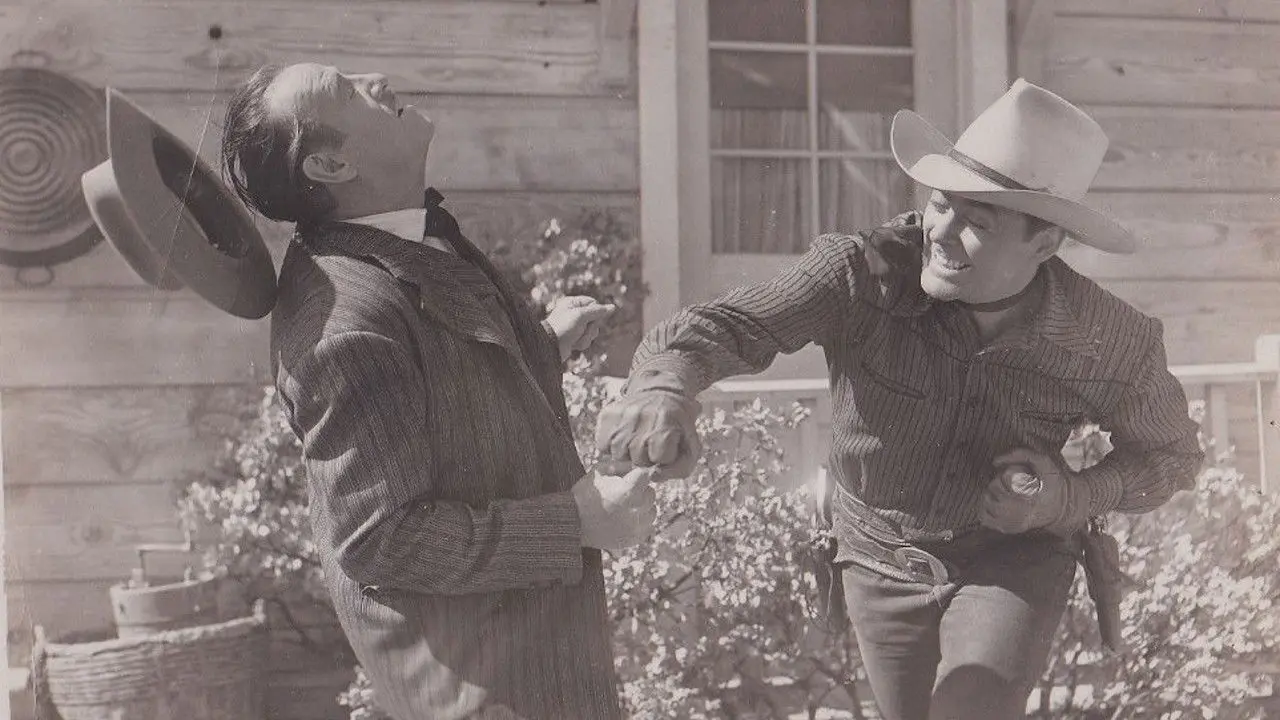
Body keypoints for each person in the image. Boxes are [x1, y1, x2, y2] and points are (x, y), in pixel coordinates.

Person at [595, 79, 1204, 719]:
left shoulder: (1110, 339)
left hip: (1011, 560)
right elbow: (723, 327)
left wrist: (1069, 497)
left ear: (1044, 243)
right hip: (876, 560)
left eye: (977, 222)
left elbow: (1172, 458)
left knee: (969, 710)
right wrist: (662, 385)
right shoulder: (861, 274)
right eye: (941, 204)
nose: (941, 231)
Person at [221, 62, 660, 720]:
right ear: (331, 167)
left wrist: (541, 343)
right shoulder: (341, 329)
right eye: (347, 91)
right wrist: (577, 523)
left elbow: (438, 379)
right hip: (483, 690)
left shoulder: (399, 232)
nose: (377, 78)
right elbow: (380, 540)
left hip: (534, 656)